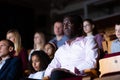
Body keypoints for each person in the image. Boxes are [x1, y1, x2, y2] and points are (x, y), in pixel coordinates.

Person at [44, 15, 99, 80]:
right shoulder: (61, 49)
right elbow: (48, 70)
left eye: (69, 23)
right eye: (64, 24)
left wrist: (69, 70)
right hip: (59, 75)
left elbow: (91, 63)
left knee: (56, 74)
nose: (65, 26)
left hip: (80, 76)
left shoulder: (88, 41)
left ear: (79, 26)